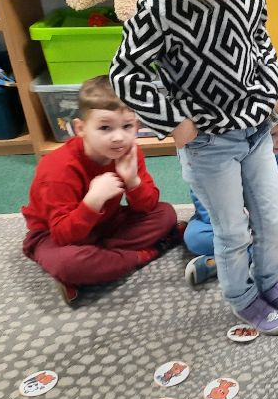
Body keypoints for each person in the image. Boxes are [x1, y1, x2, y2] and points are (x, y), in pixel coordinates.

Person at [110, 0, 278, 335]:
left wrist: (270, 90)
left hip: (256, 130)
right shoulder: (161, 6)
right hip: (208, 143)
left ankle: (268, 281)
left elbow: (261, 42)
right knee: (232, 232)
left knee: (275, 221)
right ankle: (242, 297)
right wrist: (174, 123)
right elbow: (125, 73)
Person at [22, 76, 179, 305]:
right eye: (105, 128)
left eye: (127, 126)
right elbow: (62, 235)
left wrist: (133, 181)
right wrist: (92, 201)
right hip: (53, 235)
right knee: (69, 263)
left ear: (136, 125)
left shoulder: (128, 152)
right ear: (81, 129)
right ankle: (144, 254)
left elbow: (148, 207)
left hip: (106, 222)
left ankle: (99, 262)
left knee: (166, 214)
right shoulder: (58, 168)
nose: (119, 137)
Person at [183, 94, 278, 285]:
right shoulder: (213, 160)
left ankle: (219, 263)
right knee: (194, 237)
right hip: (227, 223)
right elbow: (205, 206)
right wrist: (240, 223)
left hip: (265, 218)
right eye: (272, 135)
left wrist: (259, 221)